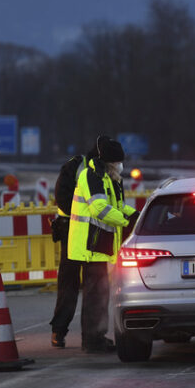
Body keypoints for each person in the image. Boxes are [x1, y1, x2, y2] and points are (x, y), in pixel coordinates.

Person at [67, 135, 138, 353]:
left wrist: (137, 217)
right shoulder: (92, 176)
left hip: (101, 244)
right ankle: (92, 340)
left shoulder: (110, 178)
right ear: (109, 162)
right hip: (90, 245)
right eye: (118, 161)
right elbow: (100, 208)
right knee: (95, 295)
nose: (120, 165)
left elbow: (118, 206)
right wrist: (126, 221)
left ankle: (98, 335)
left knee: (102, 293)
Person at [48, 145, 97, 348]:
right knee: (69, 283)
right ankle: (59, 330)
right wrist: (87, 215)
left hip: (93, 232)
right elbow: (62, 198)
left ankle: (92, 336)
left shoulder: (104, 172)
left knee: (95, 285)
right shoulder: (76, 167)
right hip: (72, 230)